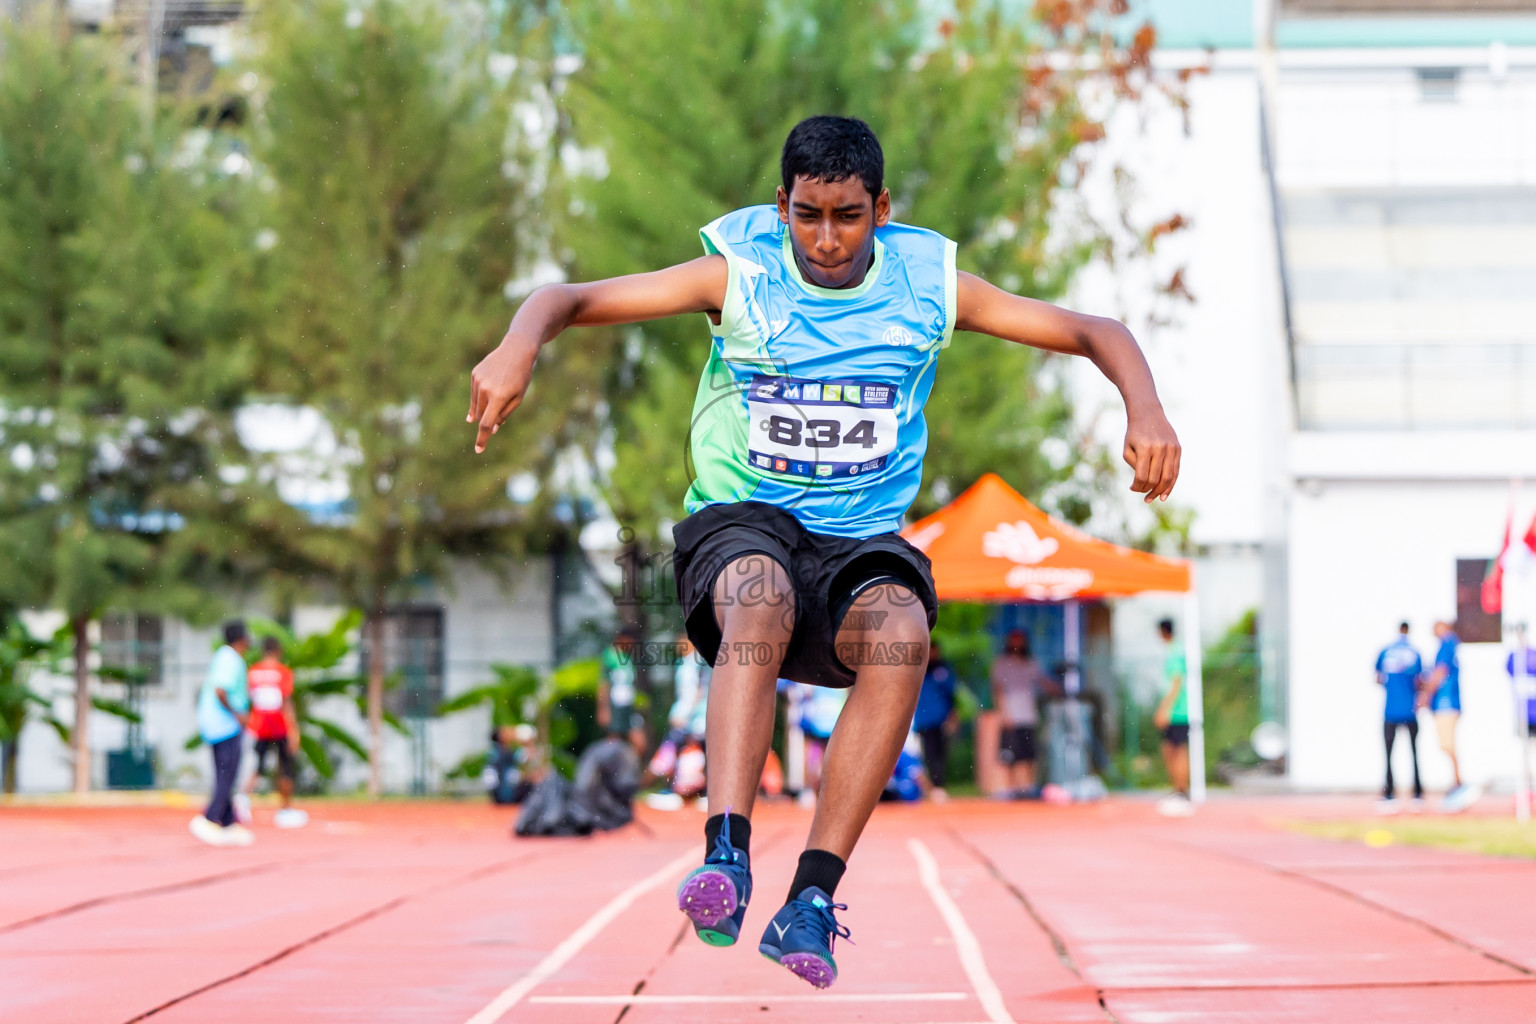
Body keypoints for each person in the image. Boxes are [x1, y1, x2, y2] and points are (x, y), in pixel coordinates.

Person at [468, 115, 1179, 988]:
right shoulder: (739, 274)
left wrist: (1144, 407)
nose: (829, 240)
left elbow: (1096, 329)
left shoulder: (931, 285)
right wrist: (517, 346)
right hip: (743, 524)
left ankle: (811, 896)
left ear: (882, 208)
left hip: (857, 544)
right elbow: (566, 299)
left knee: (903, 634)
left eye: (849, 216)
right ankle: (725, 857)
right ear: (781, 208)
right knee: (760, 594)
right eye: (808, 216)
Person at [189, 621, 255, 847]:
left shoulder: (224, 656)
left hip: (217, 724)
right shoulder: (231, 659)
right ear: (241, 638)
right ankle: (208, 818)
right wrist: (238, 714)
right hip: (224, 725)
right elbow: (220, 689)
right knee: (227, 775)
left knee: (226, 772)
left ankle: (227, 823)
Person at [241, 636, 307, 829]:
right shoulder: (283, 672)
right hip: (280, 727)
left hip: (258, 727)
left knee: (257, 767)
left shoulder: (253, 672)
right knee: (286, 767)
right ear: (278, 651)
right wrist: (294, 730)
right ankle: (285, 810)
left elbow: (248, 698)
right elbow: (286, 702)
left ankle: (242, 801)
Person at [991, 630, 1061, 797]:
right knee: (1009, 756)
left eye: (1020, 641)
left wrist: (1058, 687)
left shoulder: (1031, 663)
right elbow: (998, 690)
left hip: (1028, 716)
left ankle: (1027, 788)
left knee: (1028, 755)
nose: (1017, 644)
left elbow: (1043, 682)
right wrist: (1003, 713)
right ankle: (1011, 789)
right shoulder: (1001, 663)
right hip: (1011, 716)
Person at [1424, 620, 1477, 813]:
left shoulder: (1446, 644)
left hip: (1445, 704)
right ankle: (1457, 783)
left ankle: (1459, 784)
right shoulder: (1451, 645)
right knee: (1446, 745)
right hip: (1447, 704)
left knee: (1447, 744)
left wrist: (1425, 694)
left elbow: (1439, 673)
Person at [1374, 622, 1424, 813]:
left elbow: (1377, 677)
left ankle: (1389, 793)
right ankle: (1417, 793)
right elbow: (1420, 680)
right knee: (1414, 753)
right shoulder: (1414, 653)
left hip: (1390, 710)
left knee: (1388, 754)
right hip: (1409, 711)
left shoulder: (1386, 651)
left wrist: (1391, 685)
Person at [1153, 619, 1193, 815]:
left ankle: (1182, 791)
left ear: (1162, 632)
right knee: (1170, 749)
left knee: (1177, 750)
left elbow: (1177, 684)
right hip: (1177, 710)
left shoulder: (1174, 652)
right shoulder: (1174, 650)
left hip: (1178, 711)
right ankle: (1178, 789)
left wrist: (1164, 709)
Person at [912, 639, 957, 801]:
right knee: (928, 754)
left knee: (940, 754)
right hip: (923, 720)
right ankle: (932, 787)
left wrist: (952, 717)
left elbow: (951, 695)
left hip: (940, 719)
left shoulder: (943, 670)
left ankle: (940, 785)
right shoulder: (917, 668)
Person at [598, 627, 646, 755]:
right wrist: (603, 708)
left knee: (640, 742)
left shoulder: (627, 658)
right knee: (613, 742)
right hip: (615, 706)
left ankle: (632, 771)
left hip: (628, 706)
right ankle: (611, 773)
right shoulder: (610, 656)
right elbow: (604, 683)